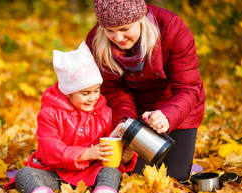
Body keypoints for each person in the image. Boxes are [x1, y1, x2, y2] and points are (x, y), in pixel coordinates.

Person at [10, 42, 138, 193]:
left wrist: (124, 155)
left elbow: (110, 143)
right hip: (56, 173)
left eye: (96, 91)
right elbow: (50, 149)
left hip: (90, 173)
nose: (92, 98)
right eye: (85, 93)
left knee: (110, 171)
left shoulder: (104, 112)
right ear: (68, 92)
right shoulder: (50, 113)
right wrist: (86, 154)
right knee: (24, 174)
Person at [85, 0, 205, 182]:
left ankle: (186, 163)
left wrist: (167, 115)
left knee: (175, 178)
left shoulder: (172, 28)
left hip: (177, 106)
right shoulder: (96, 39)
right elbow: (115, 92)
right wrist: (124, 122)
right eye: (110, 30)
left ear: (141, 18)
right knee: (136, 175)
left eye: (125, 29)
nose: (118, 38)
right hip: (135, 112)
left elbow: (188, 88)